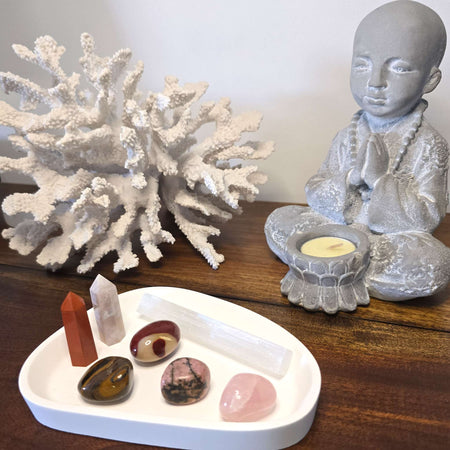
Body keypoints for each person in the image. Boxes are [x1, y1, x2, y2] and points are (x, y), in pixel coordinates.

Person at [265, 0, 450, 301]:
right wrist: (350, 177)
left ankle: (321, 267)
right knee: (280, 218)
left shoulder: (430, 144)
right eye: (362, 65)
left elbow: (428, 216)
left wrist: (380, 181)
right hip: (336, 228)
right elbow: (315, 189)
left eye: (399, 68)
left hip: (385, 244)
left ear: (430, 79)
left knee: (434, 264)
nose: (375, 82)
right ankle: (342, 267)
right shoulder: (347, 135)